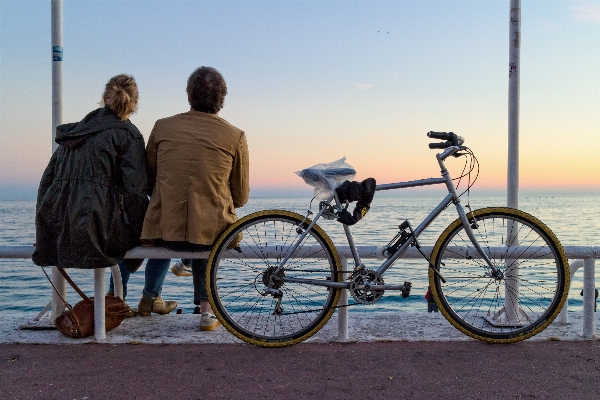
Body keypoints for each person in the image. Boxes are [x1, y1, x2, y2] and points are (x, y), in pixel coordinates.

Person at [137, 66, 249, 330]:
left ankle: (147, 298)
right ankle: (206, 312)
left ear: (188, 95)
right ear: (222, 98)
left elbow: (149, 178)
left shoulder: (162, 127)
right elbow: (241, 196)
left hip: (163, 232)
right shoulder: (235, 136)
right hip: (209, 235)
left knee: (172, 224)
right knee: (207, 231)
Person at [33, 74, 149, 281]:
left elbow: (46, 184)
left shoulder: (75, 133)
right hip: (98, 233)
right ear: (135, 103)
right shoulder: (129, 135)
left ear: (104, 98)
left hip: (59, 232)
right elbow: (135, 194)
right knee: (158, 238)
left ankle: (114, 297)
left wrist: (44, 232)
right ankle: (135, 297)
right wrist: (143, 233)